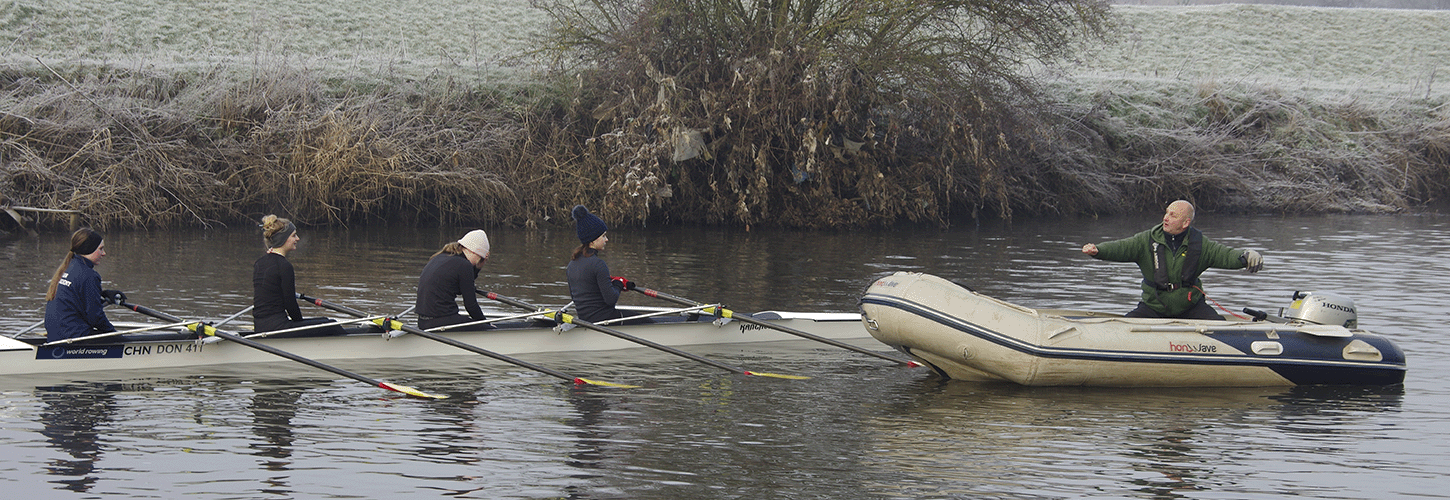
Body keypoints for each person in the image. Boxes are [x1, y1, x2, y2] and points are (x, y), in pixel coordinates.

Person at [1080, 200, 1263, 320]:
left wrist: (1246, 256)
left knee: (1220, 327)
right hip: (1153, 307)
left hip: (1191, 307)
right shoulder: (1146, 239)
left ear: (1185, 223)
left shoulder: (1200, 244)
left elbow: (1225, 255)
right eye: (1166, 213)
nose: (1165, 218)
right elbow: (1121, 248)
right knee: (1124, 327)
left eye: (1172, 215)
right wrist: (1098, 251)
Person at [252, 215, 346, 336]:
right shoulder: (284, 266)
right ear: (283, 238)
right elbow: (290, 304)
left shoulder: (259, 263)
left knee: (326, 321)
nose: (297, 238)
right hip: (276, 329)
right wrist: (300, 327)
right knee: (332, 325)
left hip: (260, 326)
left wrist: (304, 325)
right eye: (293, 235)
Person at [44, 228, 124, 343]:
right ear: (89, 249)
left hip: (56, 335)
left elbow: (77, 299)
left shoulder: (69, 267)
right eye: (100, 249)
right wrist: (117, 336)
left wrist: (103, 294)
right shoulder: (89, 275)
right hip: (72, 339)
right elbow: (95, 317)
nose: (104, 253)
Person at [565, 205, 636, 323]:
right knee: (649, 321)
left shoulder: (571, 265)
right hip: (604, 319)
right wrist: (619, 283)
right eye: (603, 236)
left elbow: (578, 297)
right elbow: (611, 299)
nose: (606, 239)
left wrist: (611, 283)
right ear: (593, 241)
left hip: (584, 319)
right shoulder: (598, 264)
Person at [414, 229, 493, 331]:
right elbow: (471, 306)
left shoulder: (440, 257)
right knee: (485, 327)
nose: (479, 263)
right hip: (440, 321)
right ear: (475, 252)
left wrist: (477, 267)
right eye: (481, 260)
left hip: (423, 322)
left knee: (469, 321)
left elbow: (462, 287)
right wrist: (486, 324)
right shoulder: (464, 265)